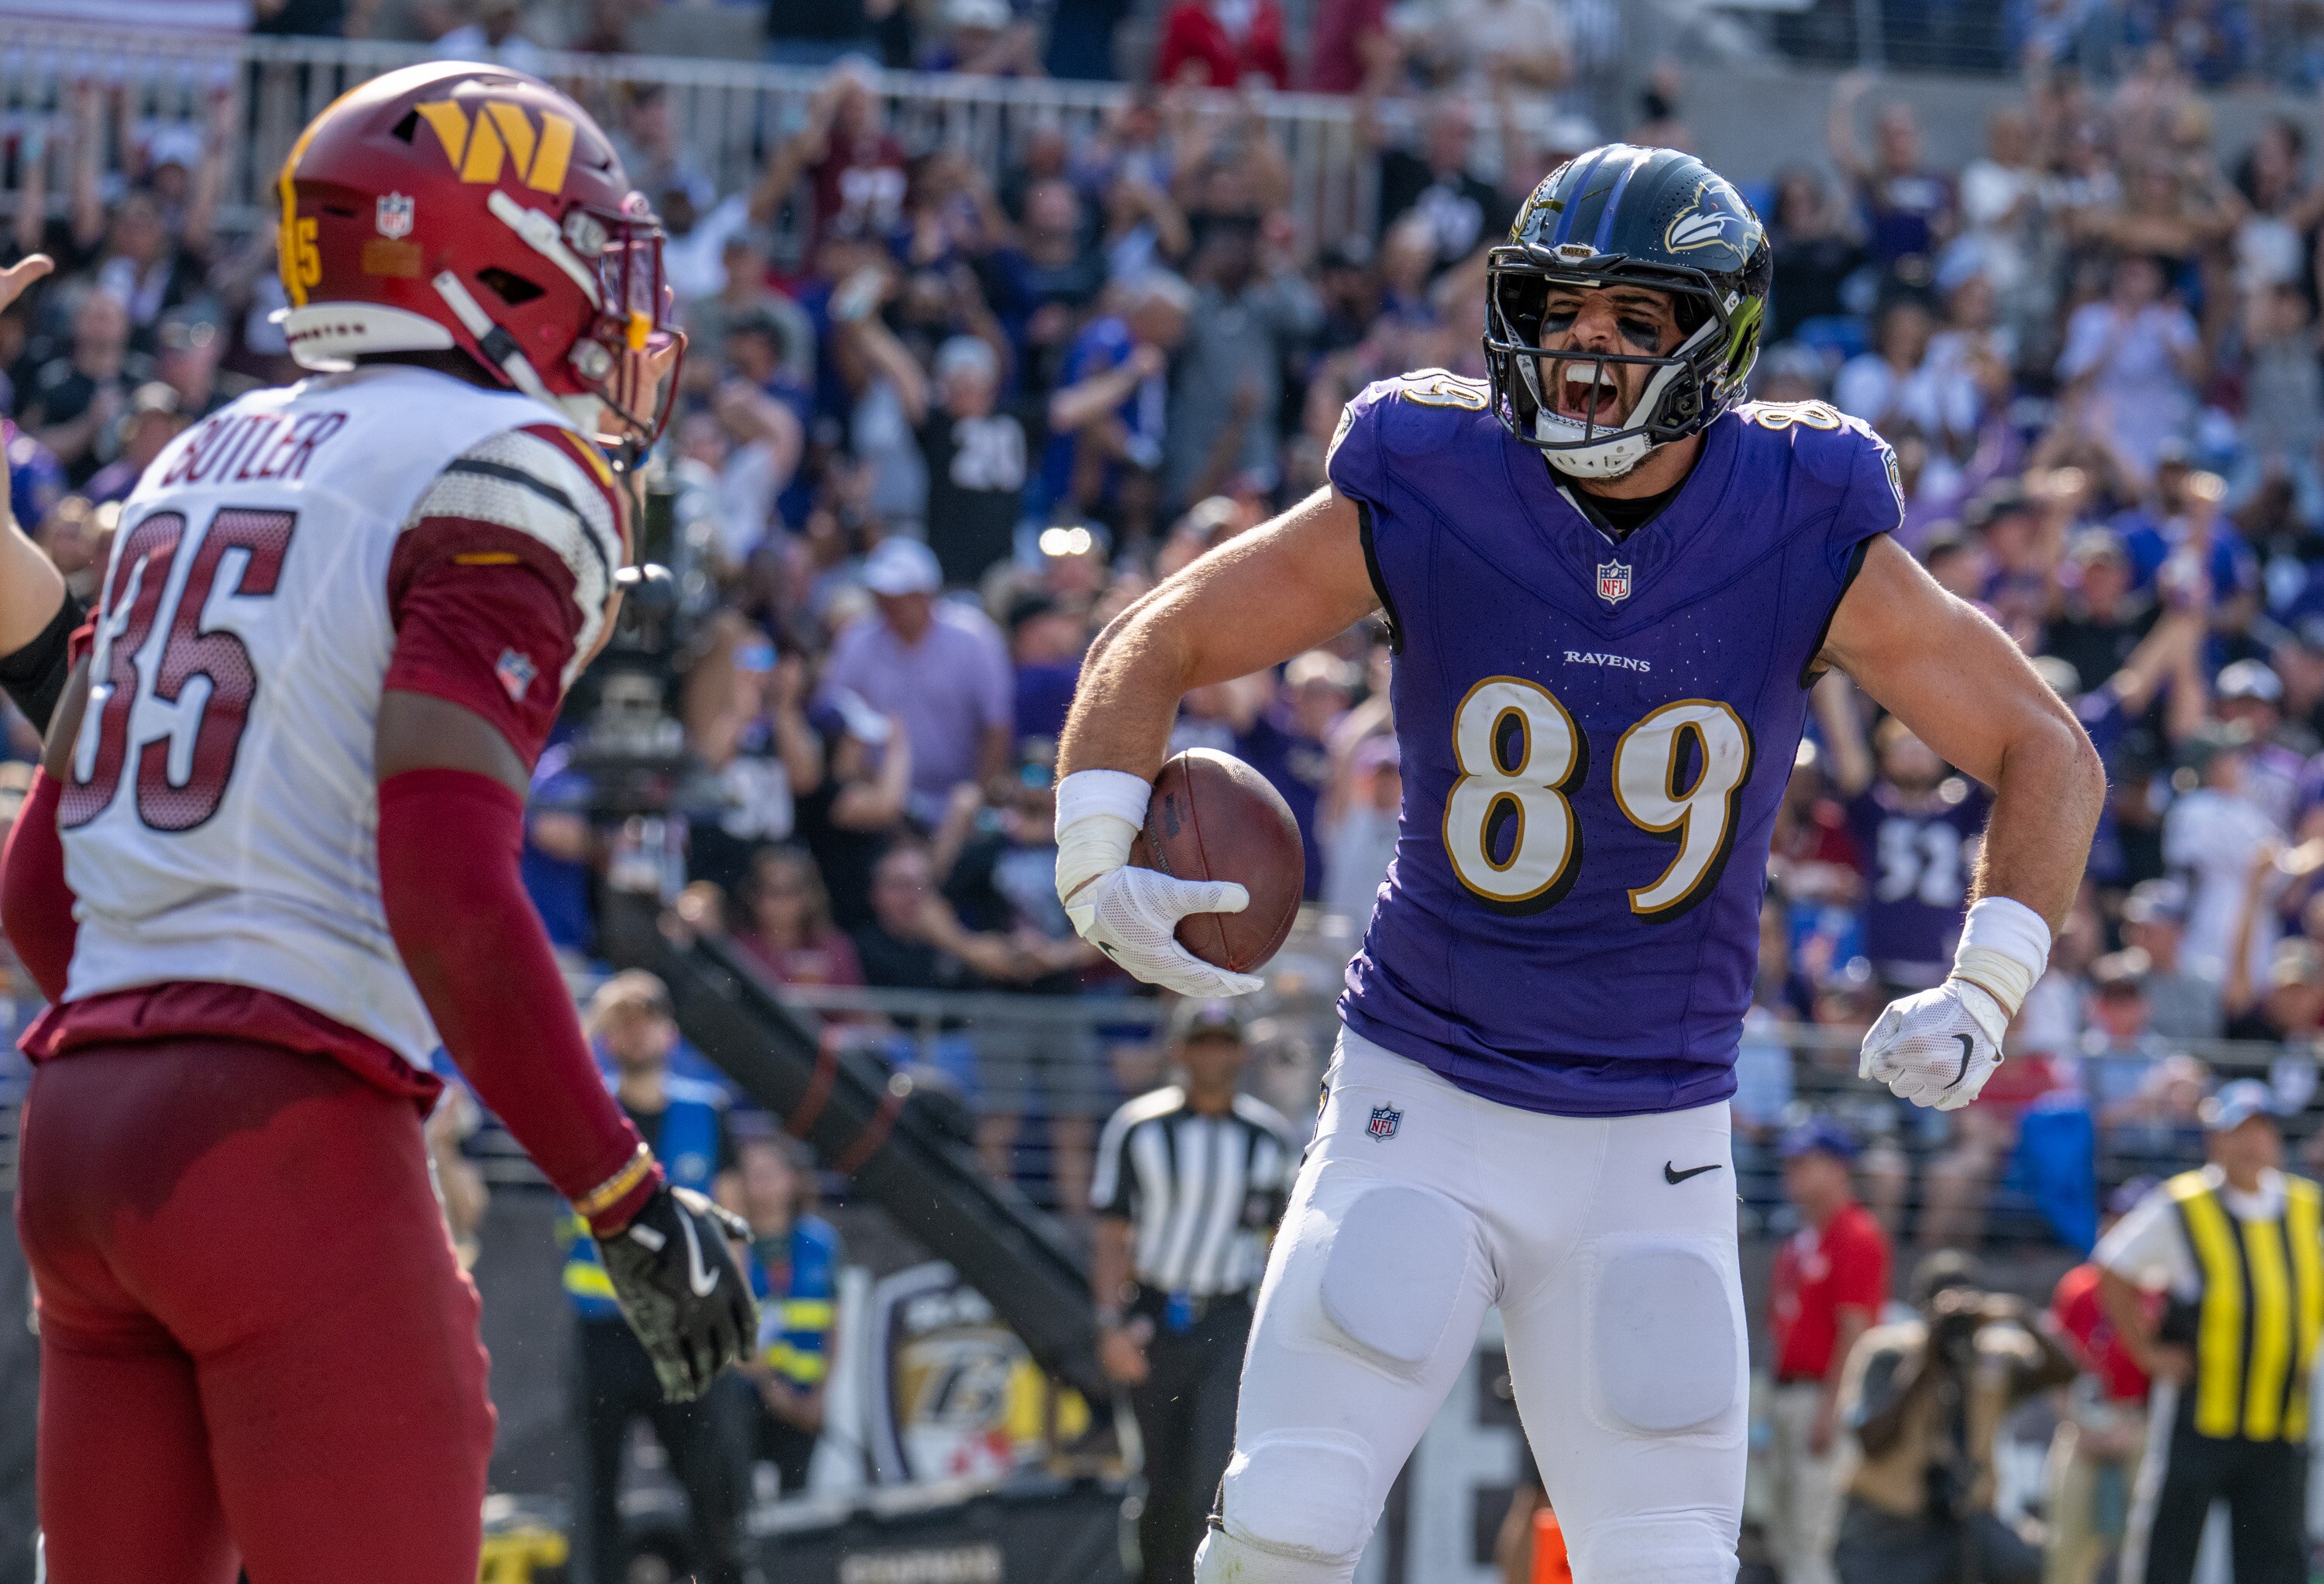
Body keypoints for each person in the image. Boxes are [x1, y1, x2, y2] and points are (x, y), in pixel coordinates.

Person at [1050, 143, 2105, 1584]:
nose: (1586, 350)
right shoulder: (1435, 475)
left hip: (1652, 1130)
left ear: (1716, 341)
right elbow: (1161, 634)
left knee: (1666, 1567)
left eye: (1634, 318)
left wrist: (1987, 988)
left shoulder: (1802, 516)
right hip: (1423, 1086)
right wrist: (1091, 853)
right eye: (1562, 311)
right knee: (1281, 1530)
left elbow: (2049, 747)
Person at [0, 63, 754, 1584]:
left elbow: (41, 887)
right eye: (587, 255)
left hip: (80, 1139)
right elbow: (449, 886)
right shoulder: (502, 465)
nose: (615, 308)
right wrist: (621, 1191)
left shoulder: (197, 456)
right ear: (494, 258)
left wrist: (167, 1025)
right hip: (286, 1142)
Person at [1092, 998, 1295, 1584]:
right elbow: (1111, 1233)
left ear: (1241, 1052)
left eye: (1223, 1043)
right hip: (1154, 1313)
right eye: (1201, 1043)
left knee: (1214, 1469)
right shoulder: (1138, 1127)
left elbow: (1281, 1239)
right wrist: (1109, 1324)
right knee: (1158, 1475)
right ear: (1178, 1051)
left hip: (1229, 1318)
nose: (1212, 1056)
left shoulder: (1268, 1137)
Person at [563, 974, 752, 1584]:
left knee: (711, 1486)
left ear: (670, 1032)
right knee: (594, 1491)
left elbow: (729, 1222)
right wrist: (590, 1024)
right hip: (603, 1333)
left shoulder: (706, 1111)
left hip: (685, 1329)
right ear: (606, 1035)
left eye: (647, 1018)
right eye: (622, 1021)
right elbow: (550, 1073)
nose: (636, 1032)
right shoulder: (582, 1108)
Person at [2094, 1080, 2323, 1584]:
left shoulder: (2307, 1206)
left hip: (2280, 1421)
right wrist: (2147, 1351)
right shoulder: (2184, 1204)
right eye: (2238, 1131)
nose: (2251, 1144)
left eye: (2261, 1130)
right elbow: (2112, 1266)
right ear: (2214, 1140)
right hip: (2198, 1416)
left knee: (2276, 1561)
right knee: (2169, 1552)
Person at [1831, 1254, 2078, 1584]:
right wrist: (1925, 1361)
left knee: (2026, 1562)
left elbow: (2066, 1372)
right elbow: (1870, 1441)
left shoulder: (1993, 1356)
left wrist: (2021, 1316)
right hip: (1888, 1520)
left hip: (1963, 1518)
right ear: (1920, 1307)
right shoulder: (1889, 1352)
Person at [1765, 1118, 1892, 1584]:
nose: (1792, 1171)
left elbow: (1856, 1332)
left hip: (1821, 1397)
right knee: (1780, 1535)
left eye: (1805, 1162)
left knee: (1811, 1539)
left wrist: (1832, 1409)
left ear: (1839, 1168)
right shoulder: (1800, 1240)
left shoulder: (1855, 1233)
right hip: (1787, 1394)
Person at [2044, 1180, 2156, 1584]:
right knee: (2065, 1550)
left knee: (2147, 1549)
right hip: (2083, 1423)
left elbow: (2173, 1374)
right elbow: (2057, 1369)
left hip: (2143, 1425)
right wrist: (2076, 1425)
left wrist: (2139, 1427)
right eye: (2116, 1219)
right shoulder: (2079, 1288)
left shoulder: (2165, 1291)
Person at [722, 1132, 842, 1500]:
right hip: (743, 1394)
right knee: (737, 1496)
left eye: (770, 1173)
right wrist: (770, 1386)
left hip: (803, 1399)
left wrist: (820, 1397)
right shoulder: (728, 1243)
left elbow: (834, 1326)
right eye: (750, 1175)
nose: (760, 1184)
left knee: (797, 1501)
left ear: (792, 1179)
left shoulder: (822, 1243)